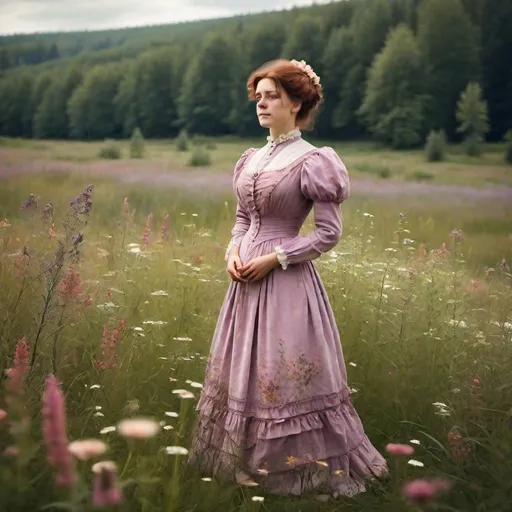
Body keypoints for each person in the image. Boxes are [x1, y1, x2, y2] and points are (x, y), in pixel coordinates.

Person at [188, 58, 388, 497]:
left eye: (271, 96)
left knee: (282, 369)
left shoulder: (315, 160)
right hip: (243, 281)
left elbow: (328, 233)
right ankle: (240, 462)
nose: (261, 104)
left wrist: (275, 258)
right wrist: (233, 252)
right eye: (257, 96)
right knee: (244, 368)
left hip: (286, 281)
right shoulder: (251, 158)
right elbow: (243, 218)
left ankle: (293, 471)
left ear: (296, 104)